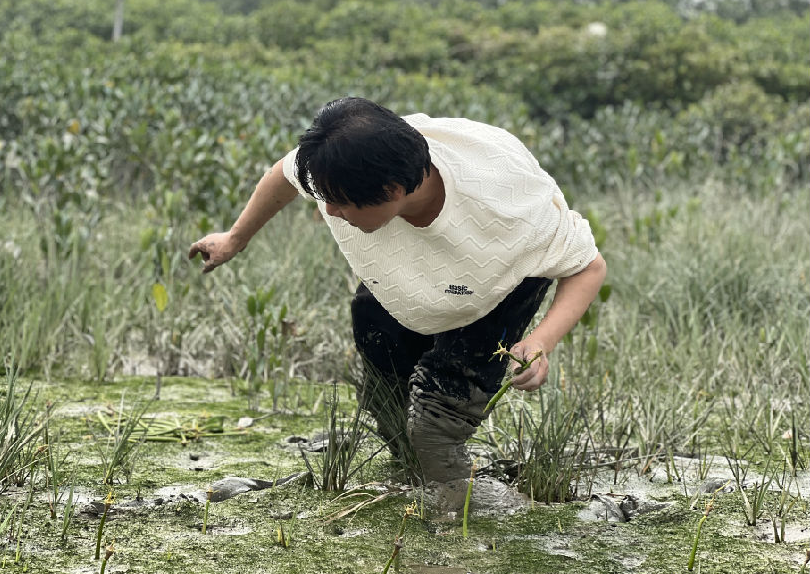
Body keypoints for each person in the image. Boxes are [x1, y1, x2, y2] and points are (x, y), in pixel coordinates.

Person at [189, 97, 606, 484]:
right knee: (387, 404)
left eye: (339, 203)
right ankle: (408, 482)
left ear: (391, 191)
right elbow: (284, 173)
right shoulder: (344, 161)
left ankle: (458, 523)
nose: (328, 211)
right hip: (402, 277)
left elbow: (588, 266)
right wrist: (234, 239)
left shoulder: (509, 209)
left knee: (434, 428)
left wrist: (539, 342)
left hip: (493, 282)